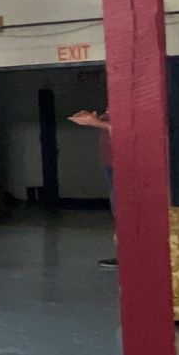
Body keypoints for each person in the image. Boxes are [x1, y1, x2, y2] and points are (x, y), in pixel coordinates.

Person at [70, 108, 116, 268]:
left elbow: (128, 127)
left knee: (124, 208)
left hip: (123, 159)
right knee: (117, 208)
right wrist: (94, 119)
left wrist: (95, 122)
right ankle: (124, 251)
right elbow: (111, 122)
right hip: (111, 160)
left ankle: (132, 253)